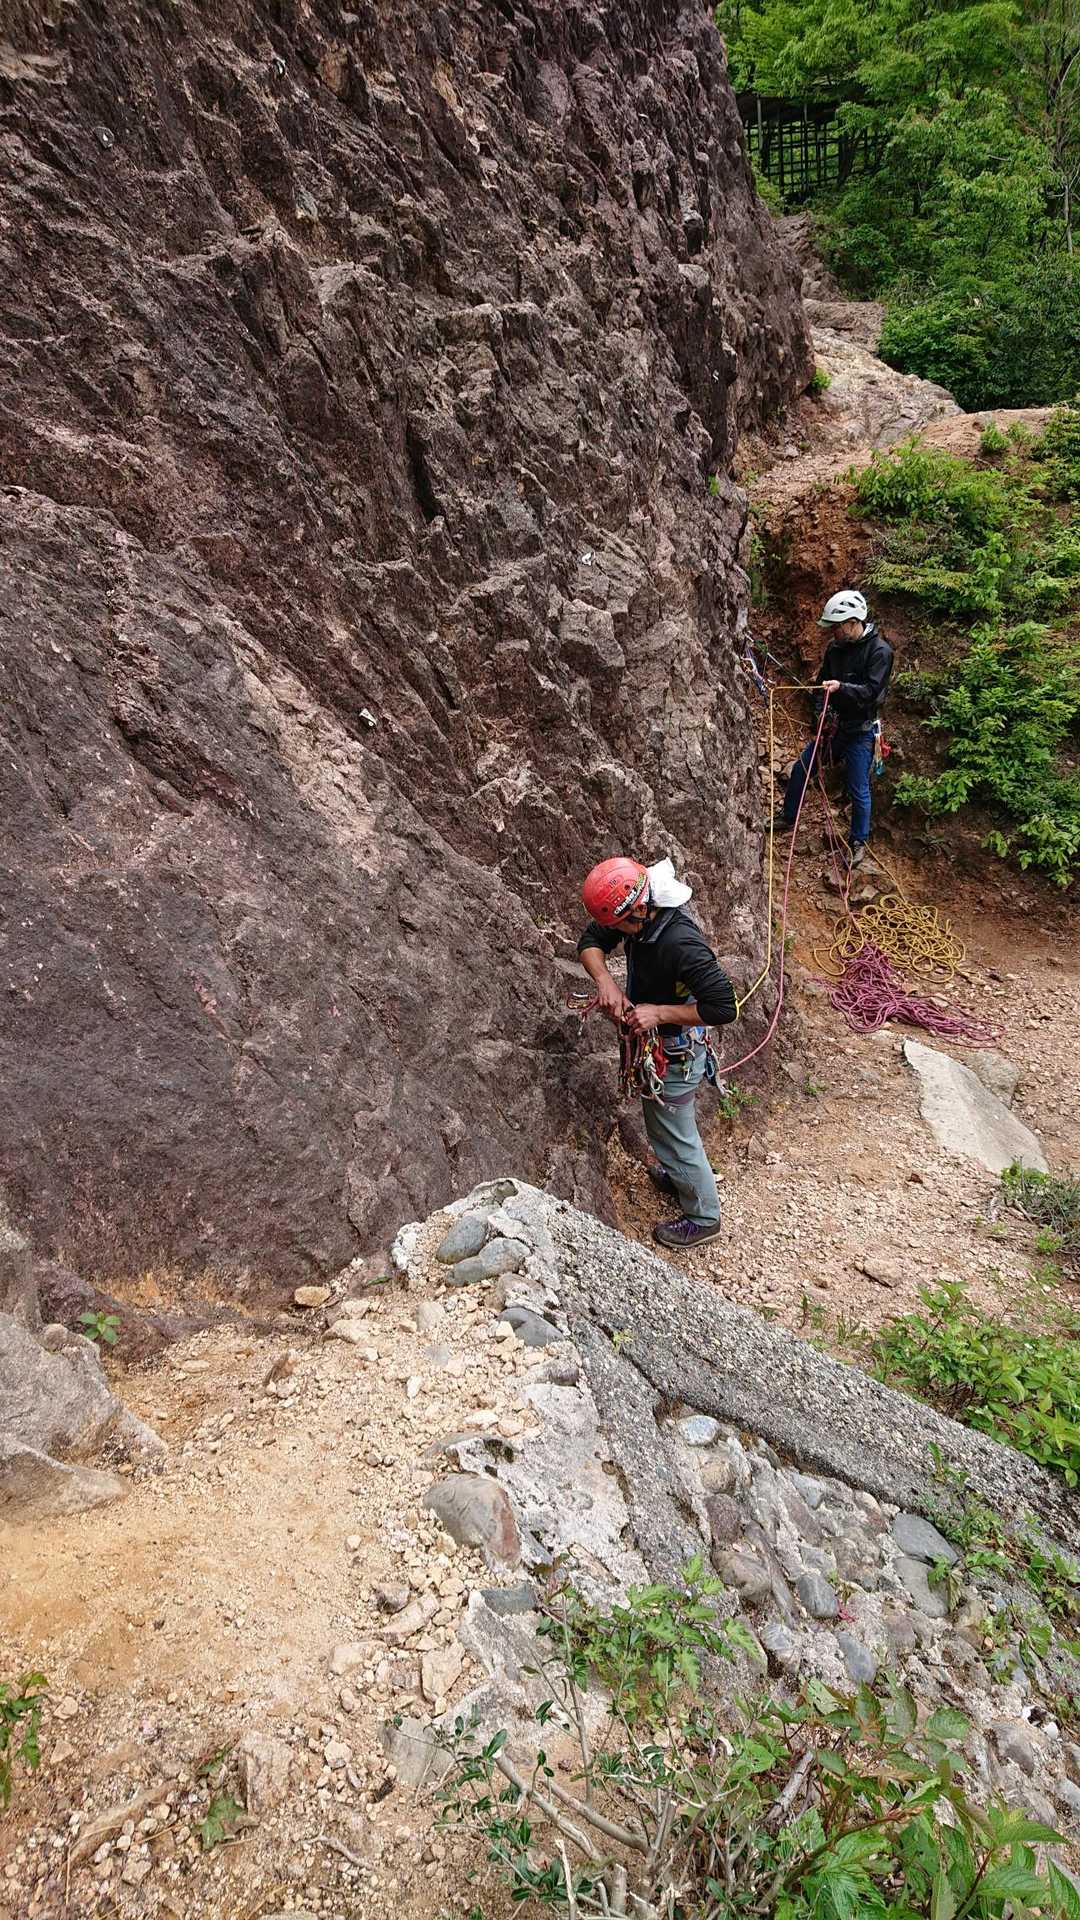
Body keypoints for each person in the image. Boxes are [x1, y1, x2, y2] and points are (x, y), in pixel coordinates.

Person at [577, 856, 737, 1251]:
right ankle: (680, 1177)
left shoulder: (680, 943)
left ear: (637, 912)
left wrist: (660, 1013)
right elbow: (591, 940)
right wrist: (605, 981)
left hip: (678, 1049)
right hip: (663, 1045)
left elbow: (723, 1007)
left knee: (675, 1134)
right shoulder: (637, 901)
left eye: (619, 926)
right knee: (663, 1126)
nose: (615, 932)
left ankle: (704, 1218)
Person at [776, 590, 894, 867]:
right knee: (801, 768)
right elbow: (821, 686)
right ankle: (788, 816)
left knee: (858, 787)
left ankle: (857, 841)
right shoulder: (835, 649)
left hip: (862, 730)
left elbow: (872, 692)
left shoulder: (880, 652)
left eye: (837, 627)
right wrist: (819, 715)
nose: (834, 632)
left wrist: (842, 688)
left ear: (853, 622)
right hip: (836, 727)